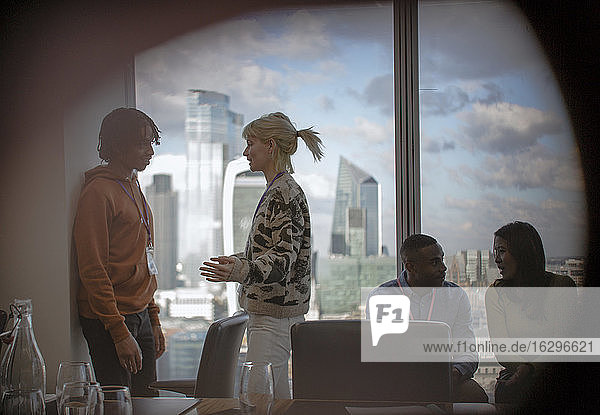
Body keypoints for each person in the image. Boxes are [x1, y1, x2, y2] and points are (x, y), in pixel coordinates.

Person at [200, 112, 324, 399]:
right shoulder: (278, 189)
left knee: (259, 401)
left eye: (250, 142)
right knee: (274, 399)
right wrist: (237, 262)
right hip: (274, 314)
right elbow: (270, 252)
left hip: (272, 317)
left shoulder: (282, 193)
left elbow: (282, 261)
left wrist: (239, 271)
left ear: (270, 145)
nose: (245, 151)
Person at [73, 108, 165, 396]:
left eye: (151, 142)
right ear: (116, 145)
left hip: (139, 312)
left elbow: (142, 257)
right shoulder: (98, 192)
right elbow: (92, 267)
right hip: (111, 318)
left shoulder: (133, 185)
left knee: (146, 400)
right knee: (119, 403)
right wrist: (118, 330)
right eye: (141, 144)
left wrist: (153, 318)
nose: (149, 151)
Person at [369, 234, 488, 403]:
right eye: (435, 262)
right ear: (411, 267)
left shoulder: (456, 296)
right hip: (397, 380)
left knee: (475, 395)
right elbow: (380, 355)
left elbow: (467, 351)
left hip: (444, 378)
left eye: (442, 260)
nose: (443, 268)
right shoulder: (382, 297)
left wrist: (454, 373)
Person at [485, 221, 576, 406]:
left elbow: (564, 342)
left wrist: (531, 368)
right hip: (514, 376)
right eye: (495, 252)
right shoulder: (496, 293)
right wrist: (522, 370)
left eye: (501, 251)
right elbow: (502, 350)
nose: (496, 259)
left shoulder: (561, 285)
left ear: (522, 252)